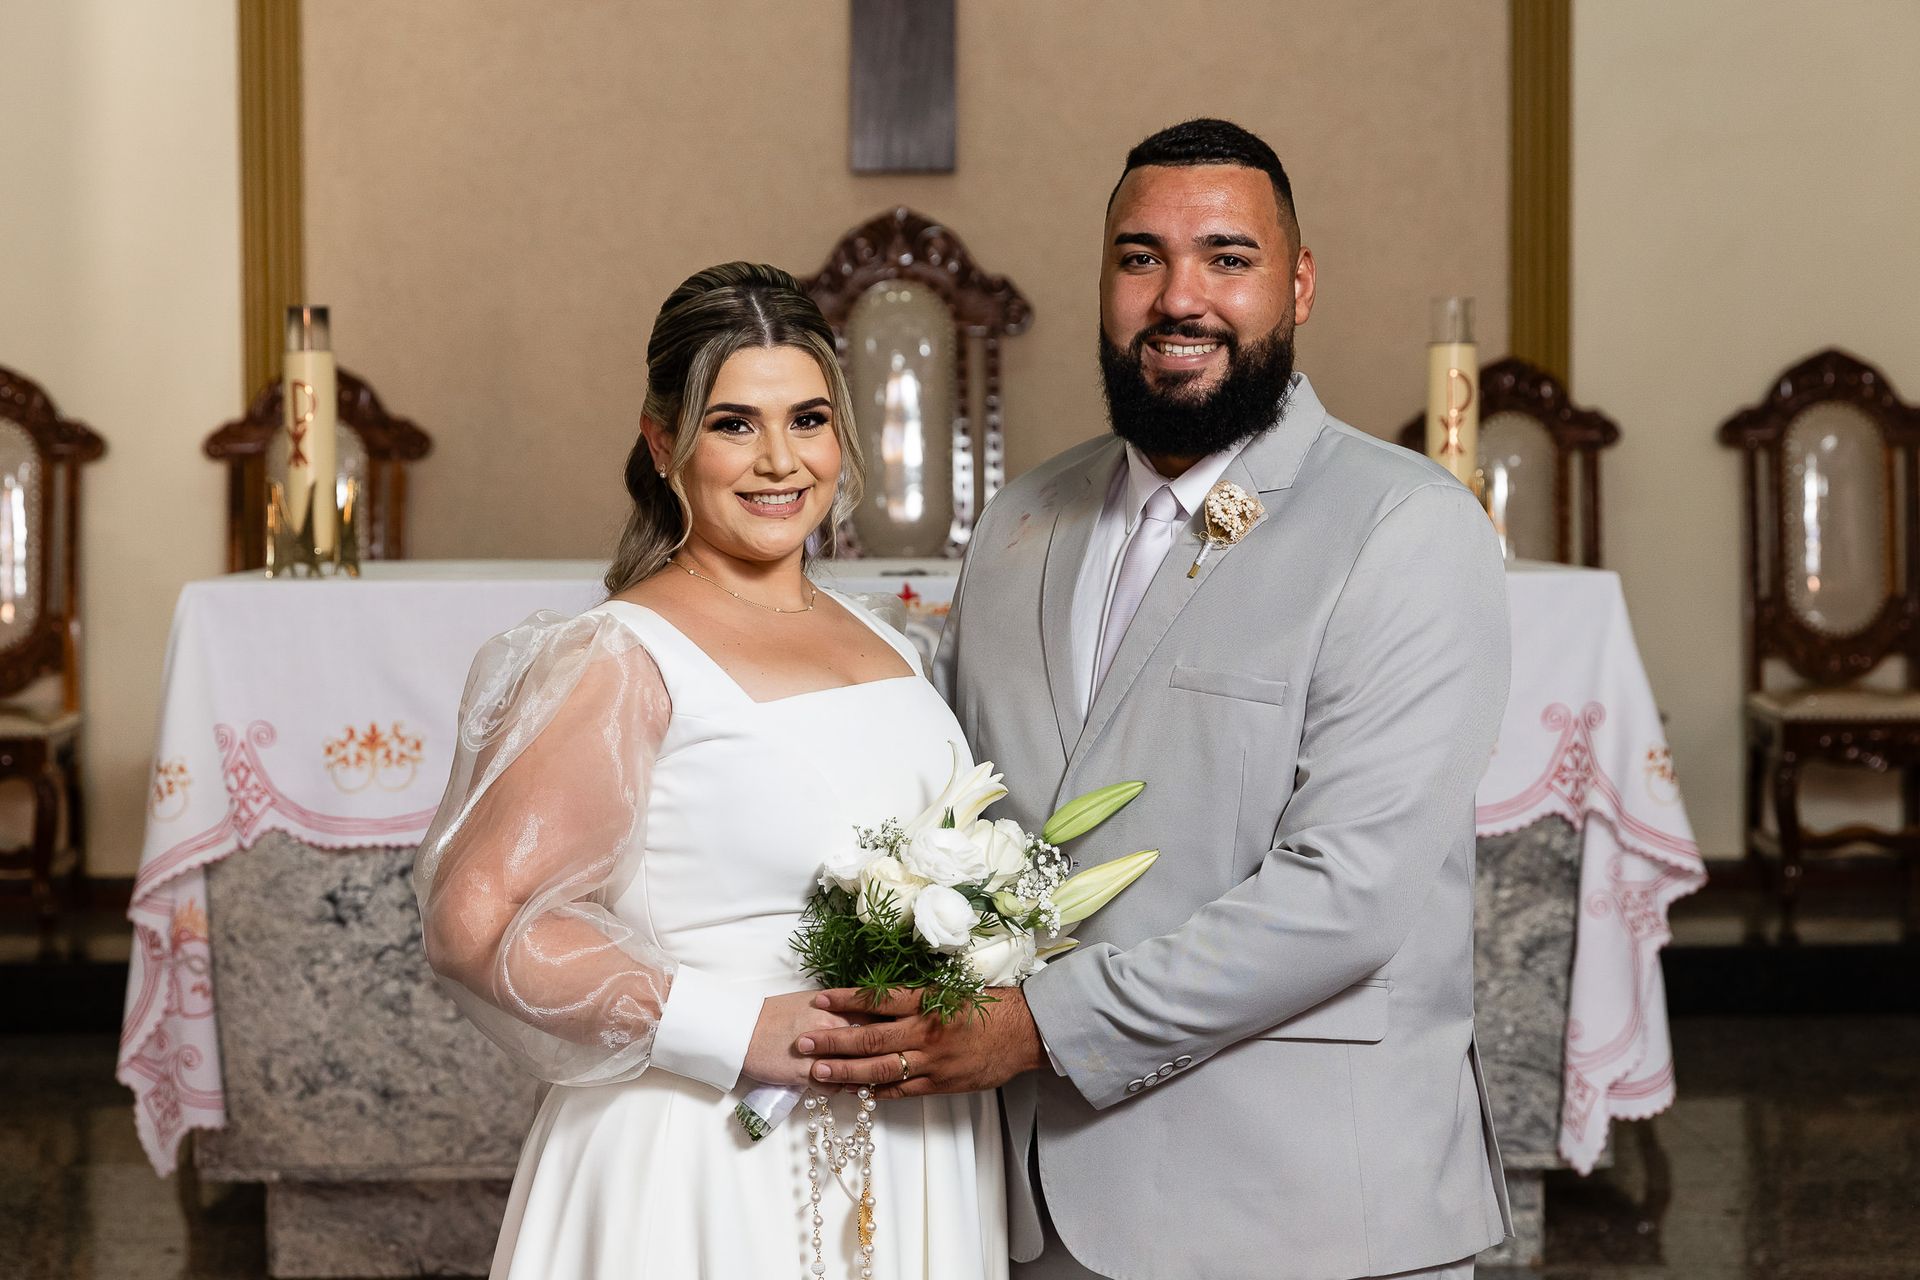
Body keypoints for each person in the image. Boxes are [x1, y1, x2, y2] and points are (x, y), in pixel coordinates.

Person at [800, 119, 1514, 1279]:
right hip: (1037, 1214)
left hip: (1305, 1210)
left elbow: (1348, 894)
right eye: (1141, 258)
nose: (1180, 296)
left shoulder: (1406, 527)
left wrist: (1032, 1026)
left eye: (1228, 258)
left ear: (1300, 282)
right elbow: (948, 804)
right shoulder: (1024, 522)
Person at [414, 262, 1006, 1280]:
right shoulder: (624, 653)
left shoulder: (886, 638)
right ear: (662, 443)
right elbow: (472, 917)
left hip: (913, 1152)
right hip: (712, 1165)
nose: (780, 460)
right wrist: (735, 1027)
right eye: (734, 422)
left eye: (808, 418)